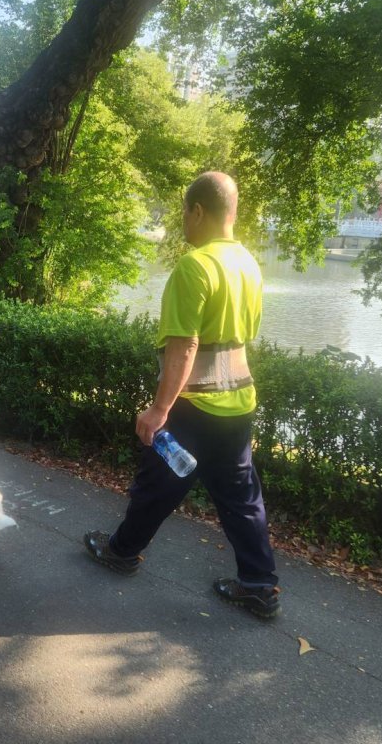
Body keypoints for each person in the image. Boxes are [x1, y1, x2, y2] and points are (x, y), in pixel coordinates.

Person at [84, 171, 280, 618]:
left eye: (183, 214)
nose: (183, 224)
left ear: (197, 211)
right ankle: (259, 586)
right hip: (238, 403)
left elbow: (185, 345)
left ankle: (121, 552)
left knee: (158, 484)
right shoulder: (249, 264)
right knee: (241, 497)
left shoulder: (196, 266)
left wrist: (159, 409)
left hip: (194, 406)